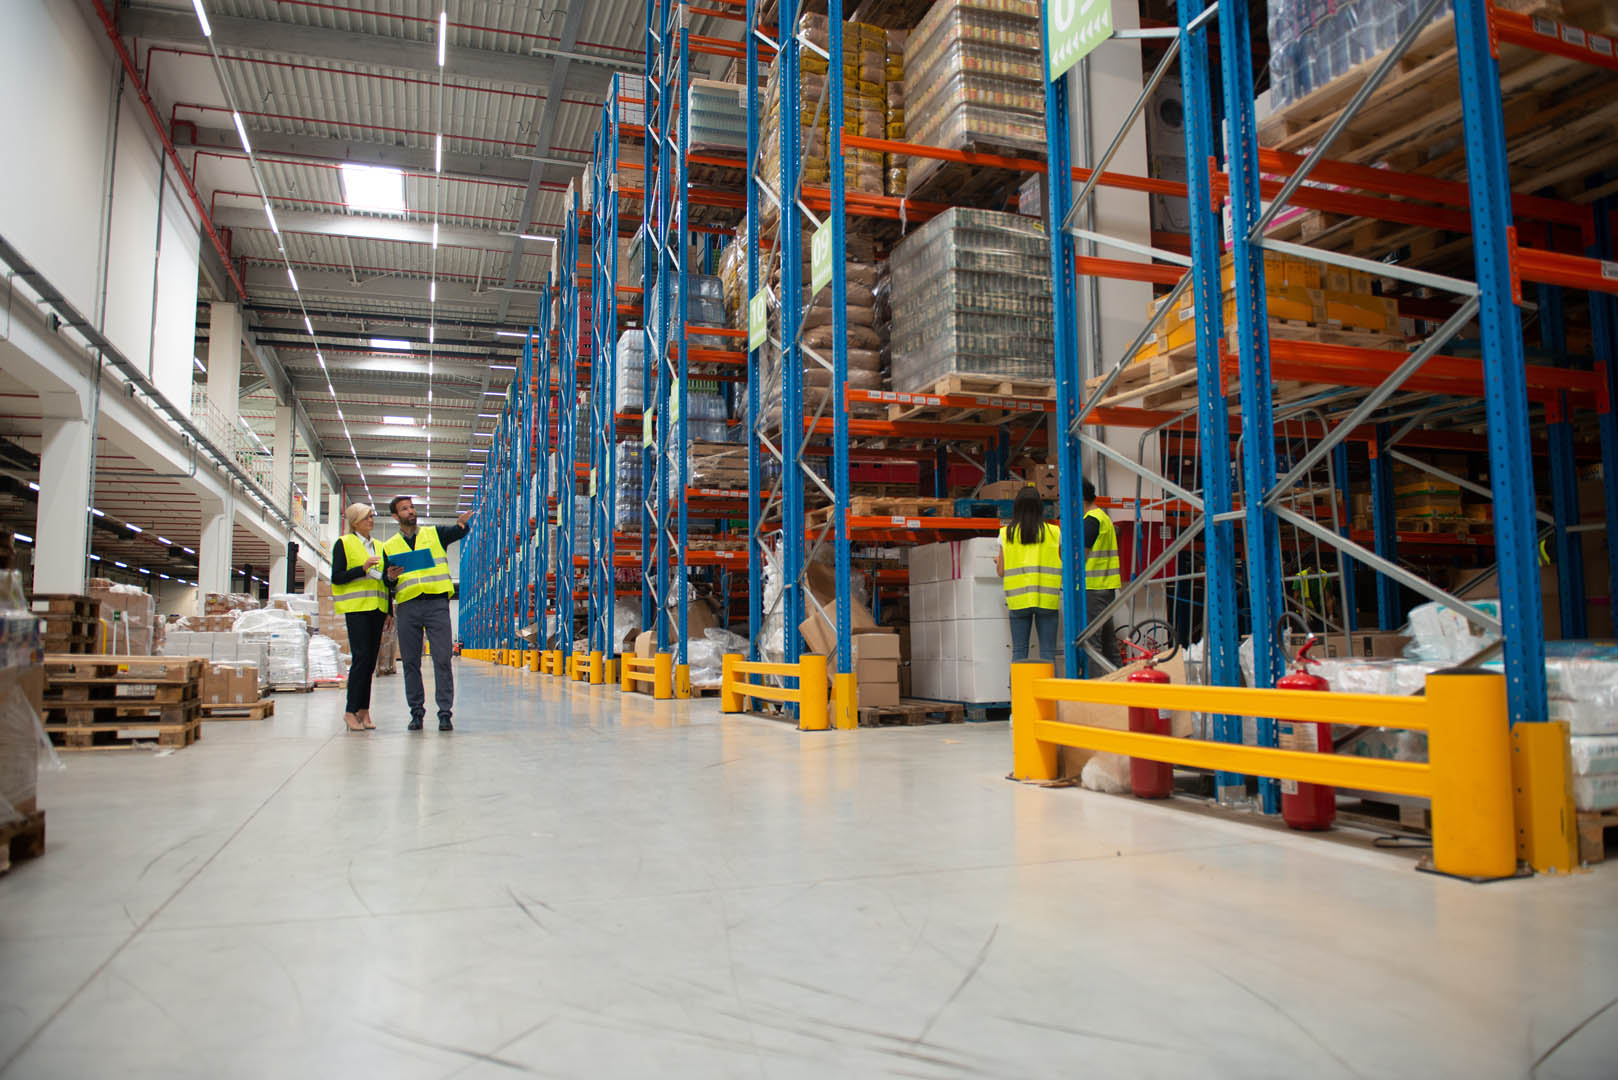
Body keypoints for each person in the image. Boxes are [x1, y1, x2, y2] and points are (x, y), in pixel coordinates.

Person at [383, 496, 471, 731]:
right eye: (404, 509)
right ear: (395, 516)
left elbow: (457, 532)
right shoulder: (389, 546)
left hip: (436, 605)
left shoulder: (434, 534)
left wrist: (463, 526)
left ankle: (444, 713)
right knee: (410, 662)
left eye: (412, 507)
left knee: (442, 659)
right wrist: (390, 577)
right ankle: (417, 713)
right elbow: (386, 581)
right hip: (408, 606)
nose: (411, 511)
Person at [331, 504, 390, 733]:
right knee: (361, 658)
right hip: (357, 608)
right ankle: (350, 710)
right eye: (367, 517)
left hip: (377, 608)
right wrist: (362, 569)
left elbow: (383, 580)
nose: (371, 520)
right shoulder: (344, 543)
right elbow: (337, 577)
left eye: (372, 516)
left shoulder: (379, 546)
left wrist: (389, 611)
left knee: (370, 662)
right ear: (355, 521)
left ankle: (364, 710)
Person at [996, 485, 1062, 663]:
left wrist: (999, 560)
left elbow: (1001, 571)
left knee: (1019, 652)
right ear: (1040, 508)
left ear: (1016, 507)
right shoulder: (1055, 533)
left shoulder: (1006, 533)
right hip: (1047, 600)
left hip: (1019, 602)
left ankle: (1018, 691)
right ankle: (1046, 691)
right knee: (1048, 654)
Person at [1082, 480, 1122, 667]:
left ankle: (1096, 691)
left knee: (1092, 645)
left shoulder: (1091, 521)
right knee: (1108, 644)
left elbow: (1079, 557)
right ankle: (1120, 687)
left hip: (1093, 588)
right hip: (1105, 588)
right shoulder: (1103, 518)